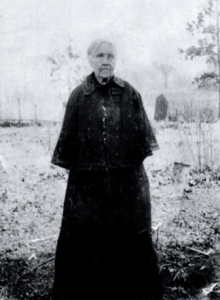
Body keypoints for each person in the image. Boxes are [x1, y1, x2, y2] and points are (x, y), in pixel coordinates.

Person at [51, 39, 163, 300]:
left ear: (116, 60)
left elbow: (142, 144)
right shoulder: (79, 96)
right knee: (85, 240)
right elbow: (67, 148)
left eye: (110, 56)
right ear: (90, 60)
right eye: (100, 55)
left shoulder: (130, 93)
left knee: (129, 238)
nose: (105, 61)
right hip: (88, 186)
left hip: (126, 184)